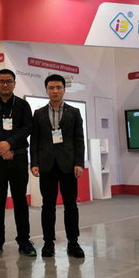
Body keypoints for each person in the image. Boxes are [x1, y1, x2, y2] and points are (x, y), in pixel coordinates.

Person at [0, 69, 36, 257]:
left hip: (18, 156)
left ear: (14, 83)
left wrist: (9, 144)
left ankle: (24, 241)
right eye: (1, 81)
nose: (5, 84)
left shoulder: (23, 105)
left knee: (20, 199)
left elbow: (28, 127)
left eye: (8, 81)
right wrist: (2, 148)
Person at [30, 74, 85, 258]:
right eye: (51, 88)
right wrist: (34, 162)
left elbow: (79, 139)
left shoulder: (74, 112)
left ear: (64, 89)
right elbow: (35, 140)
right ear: (46, 90)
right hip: (47, 165)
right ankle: (48, 243)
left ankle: (73, 243)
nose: (55, 91)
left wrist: (79, 163)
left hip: (68, 165)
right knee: (48, 206)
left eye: (58, 87)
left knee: (71, 205)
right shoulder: (38, 113)